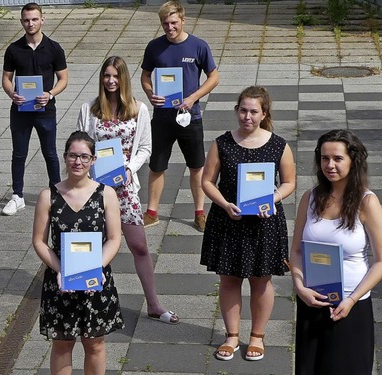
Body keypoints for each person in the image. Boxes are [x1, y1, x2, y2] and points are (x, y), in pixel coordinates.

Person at [76, 56, 178, 325]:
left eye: (115, 76)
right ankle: (83, 302)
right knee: (90, 246)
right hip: (94, 190)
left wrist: (130, 170)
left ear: (123, 80)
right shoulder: (89, 109)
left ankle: (154, 304)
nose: (110, 81)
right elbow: (81, 146)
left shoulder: (138, 109)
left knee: (139, 246)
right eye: (106, 76)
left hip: (124, 188)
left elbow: (145, 147)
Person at [200, 86, 295, 361]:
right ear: (236, 111)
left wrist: (273, 198)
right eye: (243, 110)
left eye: (254, 111)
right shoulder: (222, 143)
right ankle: (231, 336)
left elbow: (289, 182)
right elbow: (207, 181)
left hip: (263, 223)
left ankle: (257, 336)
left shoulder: (279, 144)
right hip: (229, 219)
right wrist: (224, 204)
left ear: (264, 114)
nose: (247, 116)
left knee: (261, 280)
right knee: (229, 279)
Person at [289, 130, 382, 374]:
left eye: (337, 158)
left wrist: (352, 299)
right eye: (324, 158)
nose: (329, 165)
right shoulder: (309, 198)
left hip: (351, 306)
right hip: (312, 301)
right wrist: (300, 287)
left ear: (353, 160)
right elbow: (297, 251)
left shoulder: (367, 202)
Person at [32, 131, 124, 374]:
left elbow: (114, 239)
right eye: (73, 156)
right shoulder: (47, 196)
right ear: (65, 157)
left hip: (96, 279)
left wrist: (97, 266)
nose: (78, 162)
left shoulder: (106, 194)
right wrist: (61, 270)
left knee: (94, 344)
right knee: (62, 344)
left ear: (93, 160)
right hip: (61, 280)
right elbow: (39, 242)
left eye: (84, 157)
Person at [140, 0, 220, 231]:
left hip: (190, 116)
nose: (169, 27)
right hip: (163, 118)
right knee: (157, 166)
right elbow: (145, 76)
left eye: (174, 22)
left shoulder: (198, 46)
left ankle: (199, 213)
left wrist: (194, 97)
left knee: (196, 167)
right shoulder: (154, 47)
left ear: (183, 20)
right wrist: (150, 93)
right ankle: (152, 212)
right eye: (165, 23)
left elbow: (214, 77)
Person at [1, 2, 68, 216]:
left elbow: (63, 79)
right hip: (20, 110)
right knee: (19, 154)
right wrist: (12, 94)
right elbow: (6, 79)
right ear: (22, 22)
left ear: (42, 20)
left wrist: (50, 94)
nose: (30, 23)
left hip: (45, 109)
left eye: (34, 19)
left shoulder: (54, 48)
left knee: (50, 153)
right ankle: (17, 196)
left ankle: (56, 194)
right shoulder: (14, 49)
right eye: (26, 20)